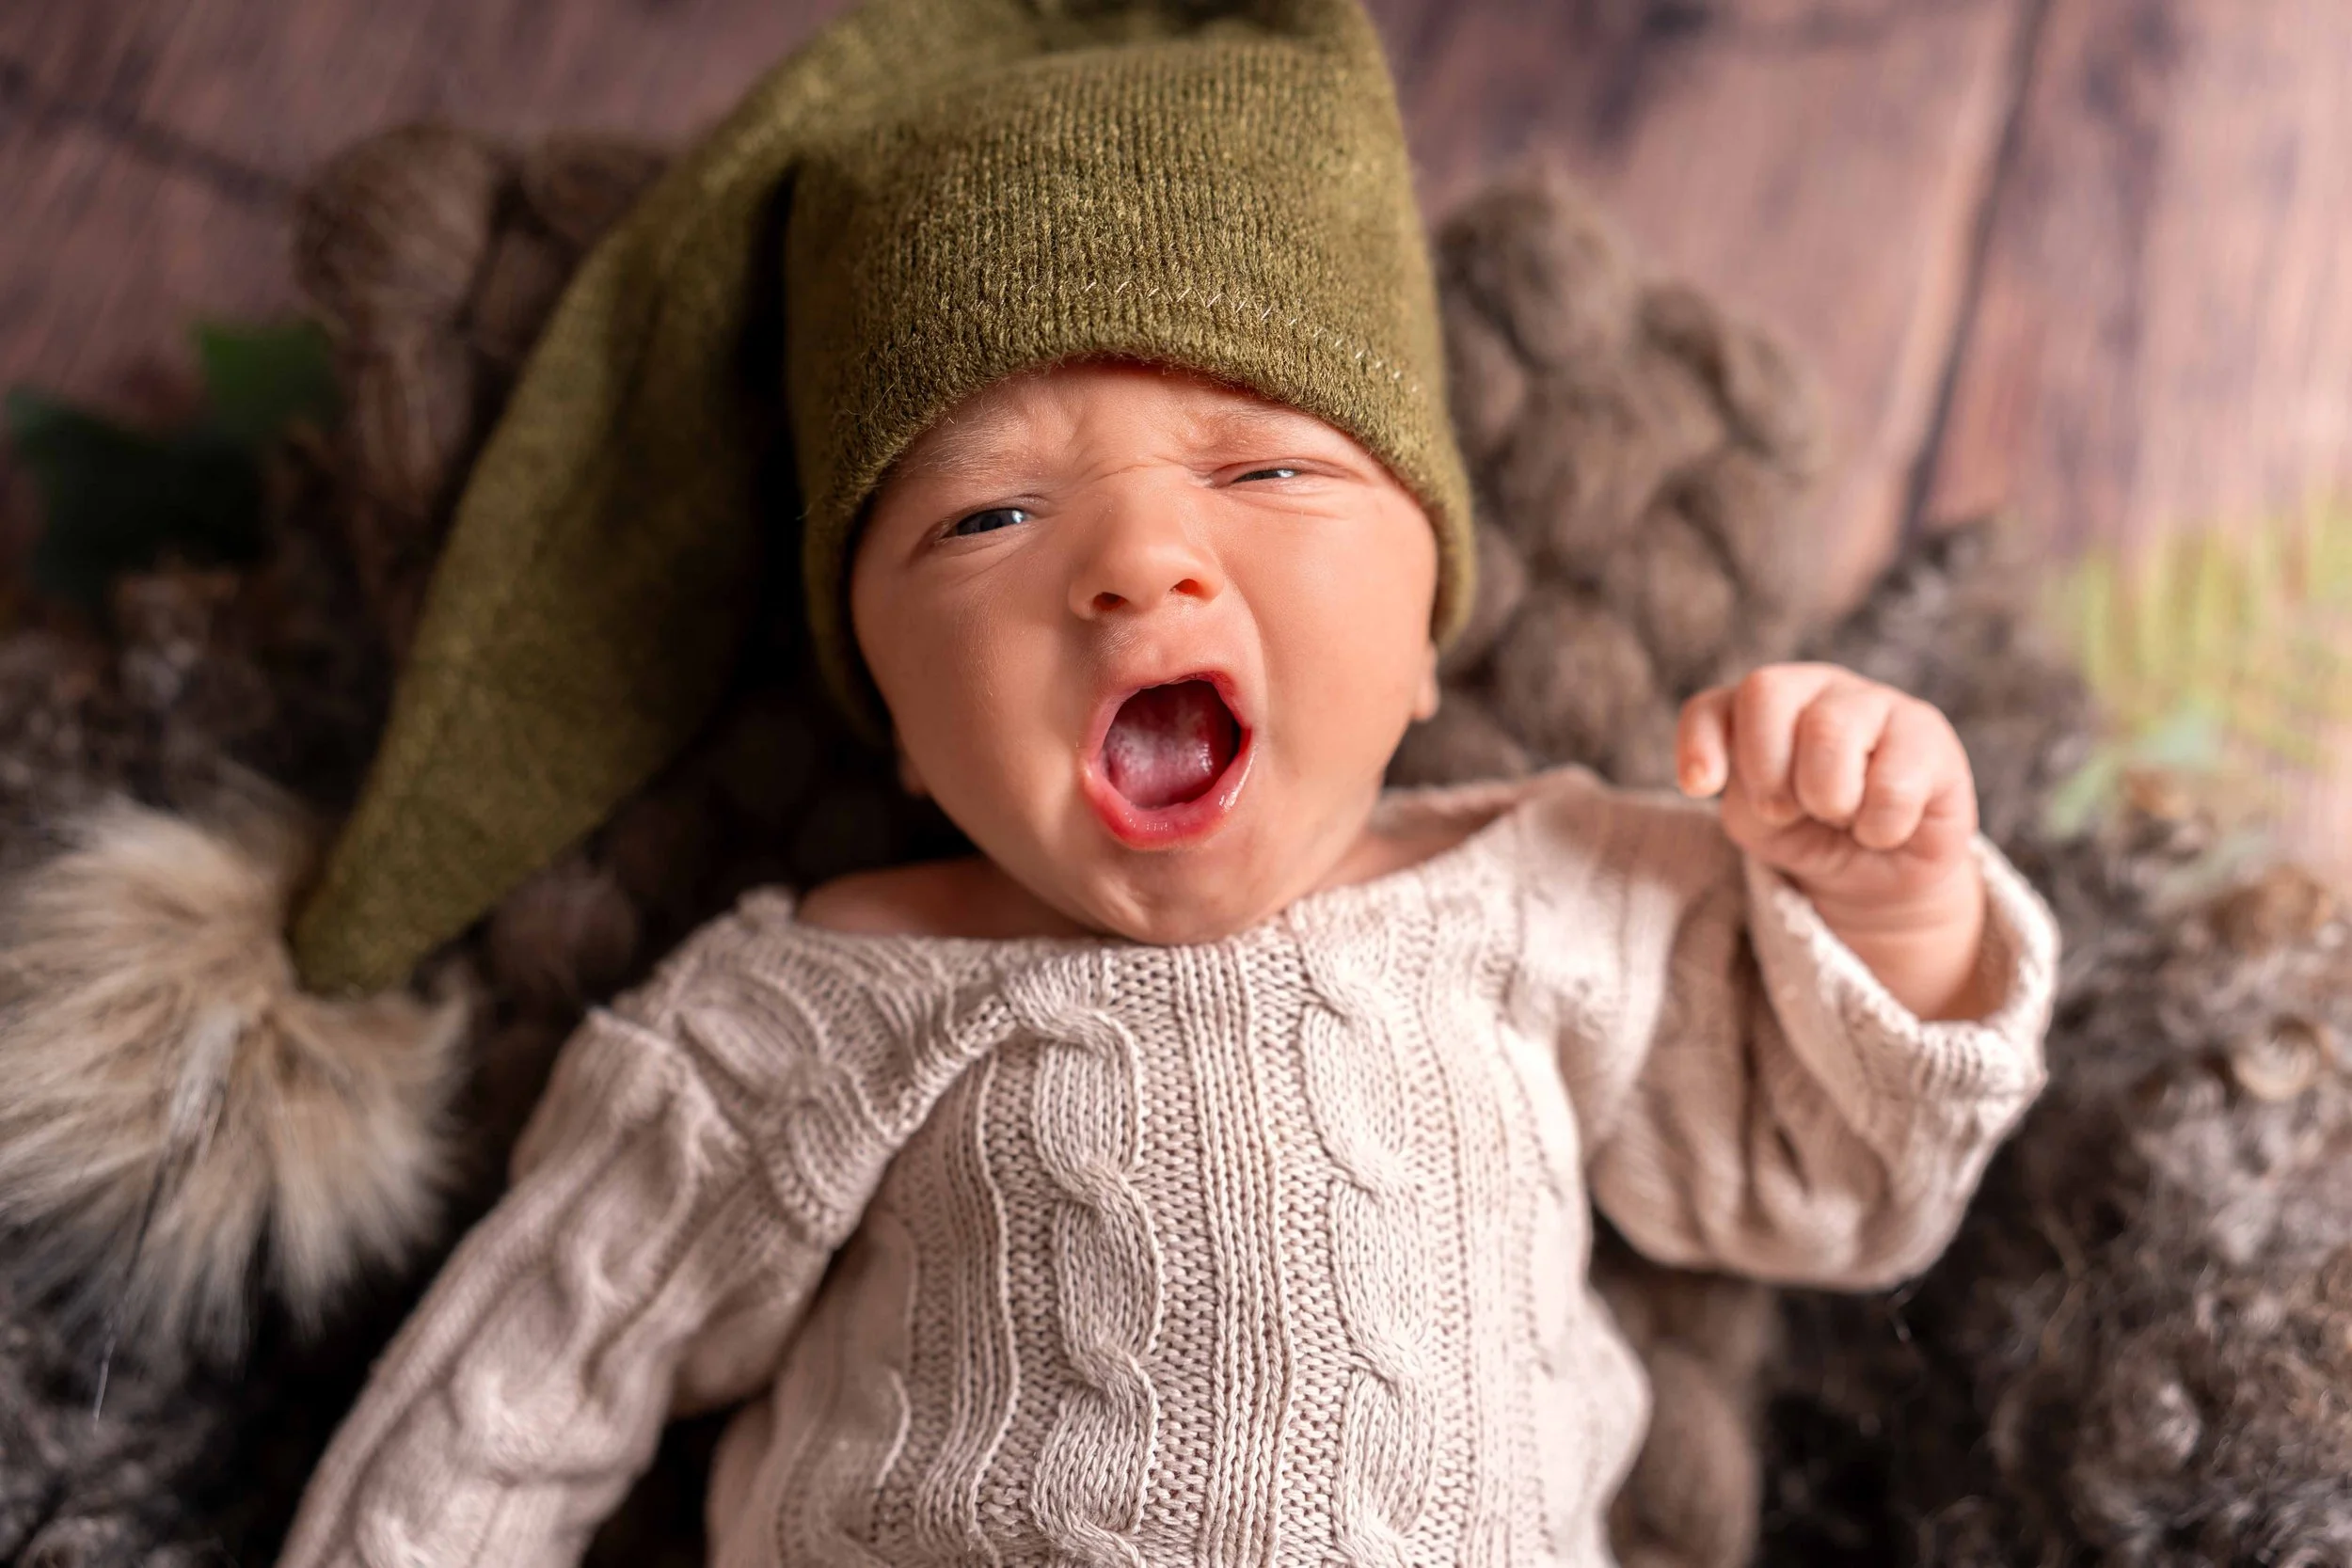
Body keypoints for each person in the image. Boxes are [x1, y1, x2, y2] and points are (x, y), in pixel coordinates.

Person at [271, 0, 2058, 1562]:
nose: (1138, 564)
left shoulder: (1555, 893)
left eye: (1267, 473)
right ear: (891, 711)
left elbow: (1831, 1183)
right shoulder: (794, 1014)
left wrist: (1892, 896)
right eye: (988, 516)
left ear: (1432, 628)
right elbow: (508, 1402)